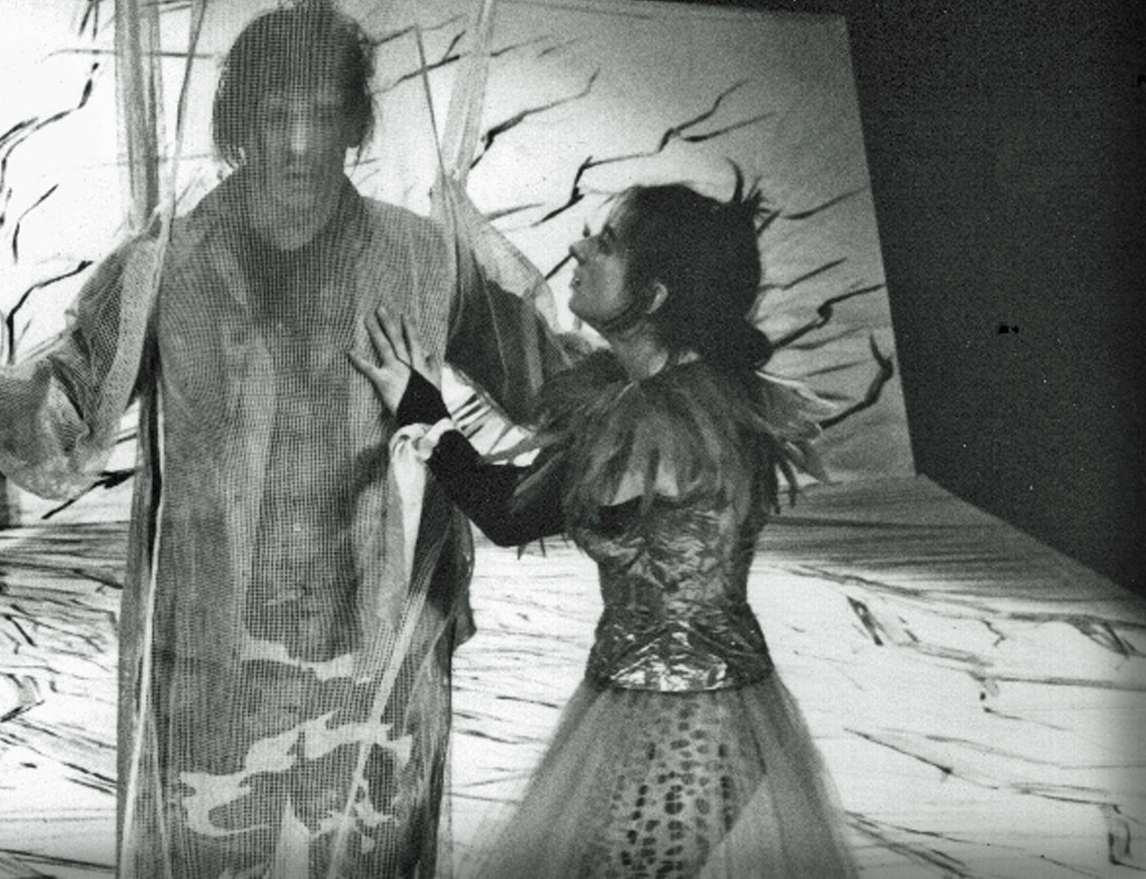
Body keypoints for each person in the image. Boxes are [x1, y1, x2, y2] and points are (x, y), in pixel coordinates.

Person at [0, 0, 568, 877]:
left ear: (354, 125)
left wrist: (670, 374)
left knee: (373, 847)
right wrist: (25, 411)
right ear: (239, 126)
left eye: (322, 114)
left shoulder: (420, 257)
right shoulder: (170, 261)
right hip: (219, 632)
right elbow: (76, 391)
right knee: (214, 846)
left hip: (376, 620)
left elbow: (548, 383)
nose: (298, 143)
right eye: (275, 115)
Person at [352, 177, 859, 876]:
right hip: (667, 703)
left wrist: (420, 407)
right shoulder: (664, 394)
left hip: (684, 724)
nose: (579, 248)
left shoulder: (664, 421)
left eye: (608, 244)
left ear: (652, 298)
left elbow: (509, 512)